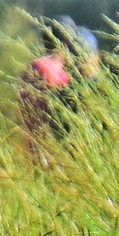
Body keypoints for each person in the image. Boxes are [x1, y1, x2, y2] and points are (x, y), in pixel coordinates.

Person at [19, 17, 101, 163]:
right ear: (66, 42)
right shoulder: (57, 72)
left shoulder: (33, 67)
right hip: (56, 152)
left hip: (33, 148)